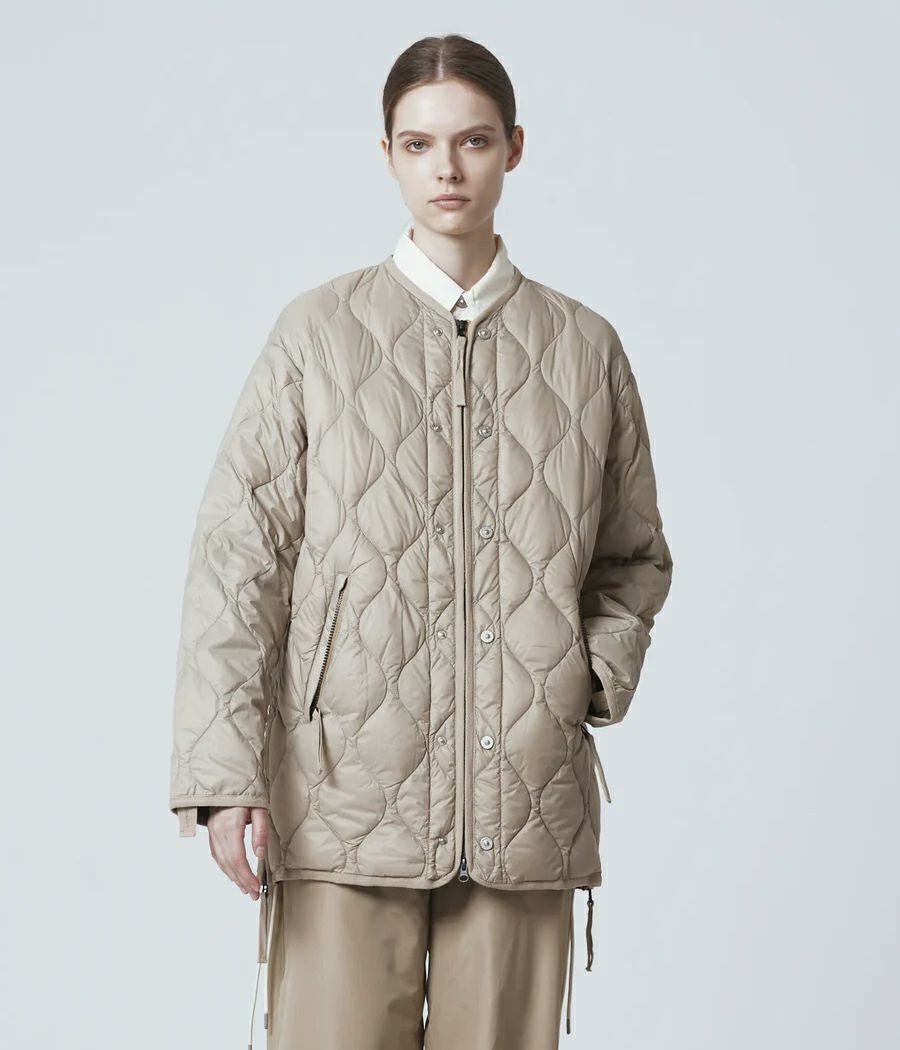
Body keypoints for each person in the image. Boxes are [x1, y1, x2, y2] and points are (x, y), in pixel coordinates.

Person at [168, 32, 673, 1050]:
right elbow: (239, 558)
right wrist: (223, 778)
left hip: (524, 798)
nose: (448, 169)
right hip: (341, 792)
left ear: (514, 149)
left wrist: (578, 681)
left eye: (474, 140)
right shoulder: (318, 335)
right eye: (419, 144)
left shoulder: (584, 349)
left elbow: (633, 558)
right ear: (388, 155)